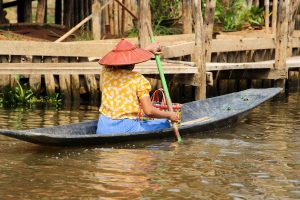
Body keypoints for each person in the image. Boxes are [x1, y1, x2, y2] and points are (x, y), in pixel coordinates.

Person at [96, 38, 179, 134]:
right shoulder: (138, 79)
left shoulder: (106, 74)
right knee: (164, 123)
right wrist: (169, 115)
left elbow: (108, 63)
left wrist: (149, 48)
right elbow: (149, 111)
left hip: (103, 128)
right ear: (133, 64)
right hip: (125, 128)